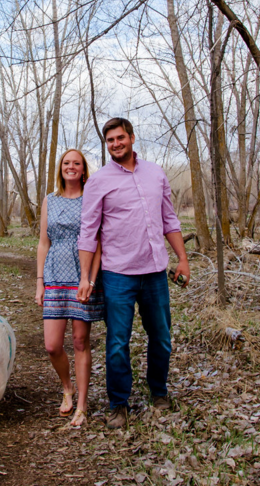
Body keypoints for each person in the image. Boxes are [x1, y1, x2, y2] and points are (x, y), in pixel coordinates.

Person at [77, 118, 190, 429]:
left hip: (155, 273)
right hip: (118, 275)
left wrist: (182, 258)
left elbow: (170, 218)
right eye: (110, 140)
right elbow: (88, 233)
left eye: (120, 138)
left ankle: (159, 393)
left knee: (162, 339)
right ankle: (118, 404)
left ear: (132, 138)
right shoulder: (98, 181)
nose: (115, 144)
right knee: (116, 343)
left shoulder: (155, 173)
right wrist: (86, 277)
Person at [35, 149, 104, 426]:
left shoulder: (91, 198)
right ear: (60, 168)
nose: (71, 167)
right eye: (66, 163)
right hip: (54, 275)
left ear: (83, 168)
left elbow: (98, 241)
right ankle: (67, 387)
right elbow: (43, 242)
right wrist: (39, 281)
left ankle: (82, 407)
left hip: (82, 276)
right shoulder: (49, 201)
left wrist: (90, 279)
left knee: (79, 341)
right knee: (52, 346)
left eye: (76, 163)